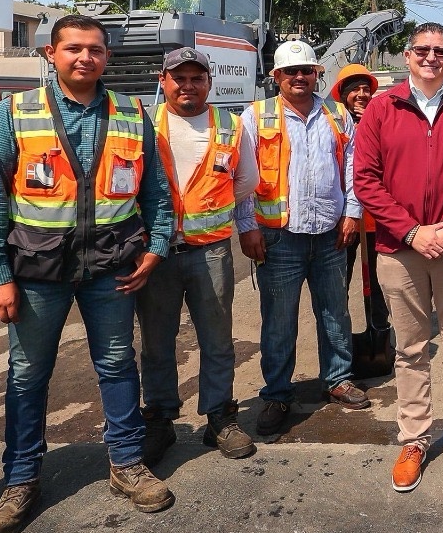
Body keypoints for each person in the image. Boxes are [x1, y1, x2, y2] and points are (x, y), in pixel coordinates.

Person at [0, 14, 176, 533]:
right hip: (37, 272)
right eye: (74, 49)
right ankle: (20, 480)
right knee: (27, 373)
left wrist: (155, 247)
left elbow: (154, 188)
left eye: (96, 50)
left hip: (111, 266)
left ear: (108, 57)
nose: (85, 58)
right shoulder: (13, 114)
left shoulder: (132, 114)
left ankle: (127, 463)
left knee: (116, 362)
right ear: (50, 54)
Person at [352, 24, 443, 492]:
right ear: (407, 55)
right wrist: (413, 232)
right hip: (402, 249)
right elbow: (366, 180)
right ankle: (414, 438)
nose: (431, 57)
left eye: (440, 51)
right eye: (423, 50)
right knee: (411, 347)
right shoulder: (382, 108)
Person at [240, 40, 369, 441]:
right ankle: (278, 394)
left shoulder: (337, 114)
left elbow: (354, 166)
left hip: (330, 232)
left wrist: (352, 213)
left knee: (335, 312)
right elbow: (241, 177)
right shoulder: (255, 116)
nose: (300, 77)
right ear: (276, 76)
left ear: (317, 74)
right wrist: (247, 226)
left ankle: (338, 378)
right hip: (279, 237)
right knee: (279, 322)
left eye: (307, 70)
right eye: (291, 71)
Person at [137, 48, 259, 465]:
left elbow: (246, 182)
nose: (188, 86)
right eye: (179, 78)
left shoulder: (230, 124)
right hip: (156, 254)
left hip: (210, 251)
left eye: (197, 78)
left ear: (209, 82)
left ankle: (220, 418)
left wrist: (207, 211)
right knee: (156, 342)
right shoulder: (143, 123)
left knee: (217, 339)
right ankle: (159, 420)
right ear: (163, 79)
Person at [333, 64, 392, 346]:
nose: (361, 94)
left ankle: (378, 331)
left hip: (376, 219)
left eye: (365, 89)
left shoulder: (383, 120)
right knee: (338, 283)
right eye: (354, 89)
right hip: (343, 218)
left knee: (379, 284)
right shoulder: (334, 122)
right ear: (343, 94)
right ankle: (340, 340)